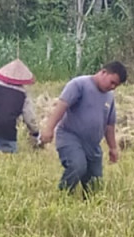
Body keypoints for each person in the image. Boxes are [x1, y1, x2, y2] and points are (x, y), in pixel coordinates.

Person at [39, 61, 127, 195]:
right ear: (103, 72)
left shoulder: (109, 96)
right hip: (70, 137)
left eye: (116, 85)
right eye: (112, 82)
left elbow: (109, 125)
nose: (113, 87)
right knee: (77, 166)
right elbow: (61, 106)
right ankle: (63, 195)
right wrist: (49, 129)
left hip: (92, 145)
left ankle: (88, 207)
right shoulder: (79, 85)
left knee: (94, 186)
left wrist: (113, 148)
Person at [0, 58, 40, 153]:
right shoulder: (23, 94)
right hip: (8, 128)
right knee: (10, 153)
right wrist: (35, 132)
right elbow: (29, 117)